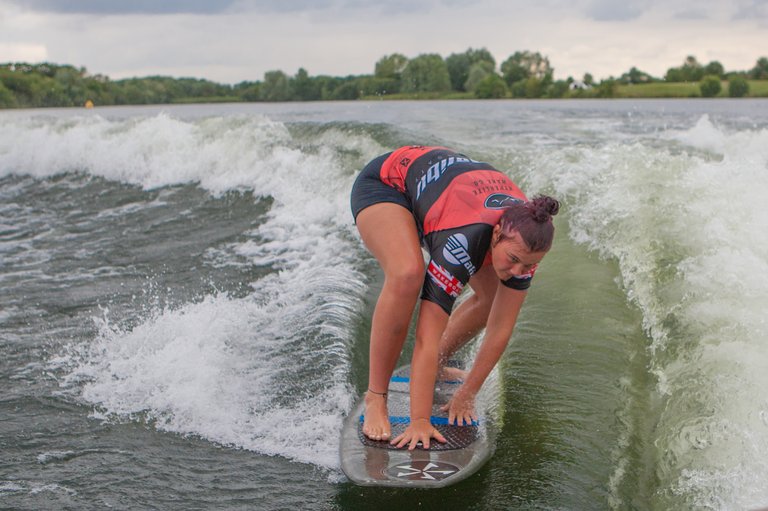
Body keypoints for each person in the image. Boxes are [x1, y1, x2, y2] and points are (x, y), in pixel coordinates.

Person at [350, 145, 559, 450]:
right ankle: (375, 397)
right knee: (408, 273)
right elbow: (426, 337)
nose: (518, 270)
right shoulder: (461, 241)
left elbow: (500, 328)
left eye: (528, 265)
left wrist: (467, 393)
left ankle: (436, 365)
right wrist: (419, 420)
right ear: (497, 234)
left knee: (490, 298)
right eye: (513, 259)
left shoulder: (529, 241)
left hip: (444, 195)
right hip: (387, 186)